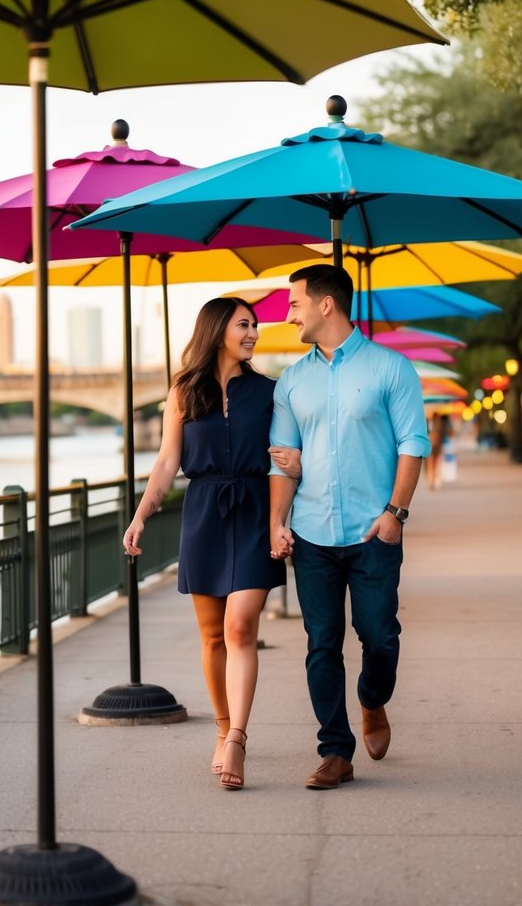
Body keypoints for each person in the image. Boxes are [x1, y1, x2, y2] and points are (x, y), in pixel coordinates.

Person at [123, 297, 300, 791]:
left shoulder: (270, 392)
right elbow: (165, 463)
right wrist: (140, 517)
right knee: (213, 636)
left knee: (241, 626)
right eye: (244, 324)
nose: (253, 333)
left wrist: (281, 515)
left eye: (255, 326)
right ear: (217, 328)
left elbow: (286, 458)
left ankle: (238, 738)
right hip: (202, 514)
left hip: (253, 511)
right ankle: (222, 729)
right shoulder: (183, 392)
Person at [269, 264, 430, 790]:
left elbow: (413, 444)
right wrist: (278, 521)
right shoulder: (292, 380)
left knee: (380, 636)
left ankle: (372, 698)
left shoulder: (391, 369)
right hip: (312, 533)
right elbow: (282, 460)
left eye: (294, 303)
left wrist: (396, 514)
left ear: (325, 304)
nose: (288, 312)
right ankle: (335, 751)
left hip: (373, 532)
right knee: (322, 642)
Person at [426, 413, 451, 488]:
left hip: (438, 442)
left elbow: (447, 431)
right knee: (431, 462)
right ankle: (431, 479)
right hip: (429, 442)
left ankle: (436, 479)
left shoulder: (442, 419)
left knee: (437, 461)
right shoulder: (426, 419)